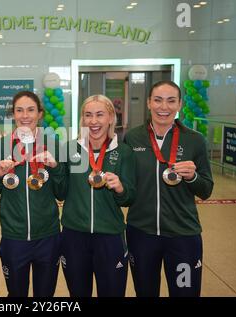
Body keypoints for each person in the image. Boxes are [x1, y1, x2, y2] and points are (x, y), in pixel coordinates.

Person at [123, 80, 214, 297]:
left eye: (171, 101)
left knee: (185, 293)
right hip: (141, 233)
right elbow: (127, 188)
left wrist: (192, 177)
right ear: (148, 103)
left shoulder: (195, 140)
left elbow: (206, 189)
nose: (164, 107)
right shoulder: (132, 137)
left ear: (179, 104)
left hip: (183, 234)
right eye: (158, 100)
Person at [0, 91, 65, 297]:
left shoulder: (55, 145)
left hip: (48, 236)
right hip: (14, 237)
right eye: (19, 110)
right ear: (13, 114)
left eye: (31, 110)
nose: (25, 116)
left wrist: (56, 167)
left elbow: (62, 192)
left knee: (45, 295)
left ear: (40, 113)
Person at [60, 94, 136, 297]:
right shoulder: (69, 149)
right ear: (82, 119)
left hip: (110, 236)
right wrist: (55, 169)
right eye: (88, 115)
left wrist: (120, 188)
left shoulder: (124, 152)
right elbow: (60, 192)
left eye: (100, 115)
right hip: (74, 235)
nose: (93, 121)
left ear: (111, 117)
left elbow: (129, 198)